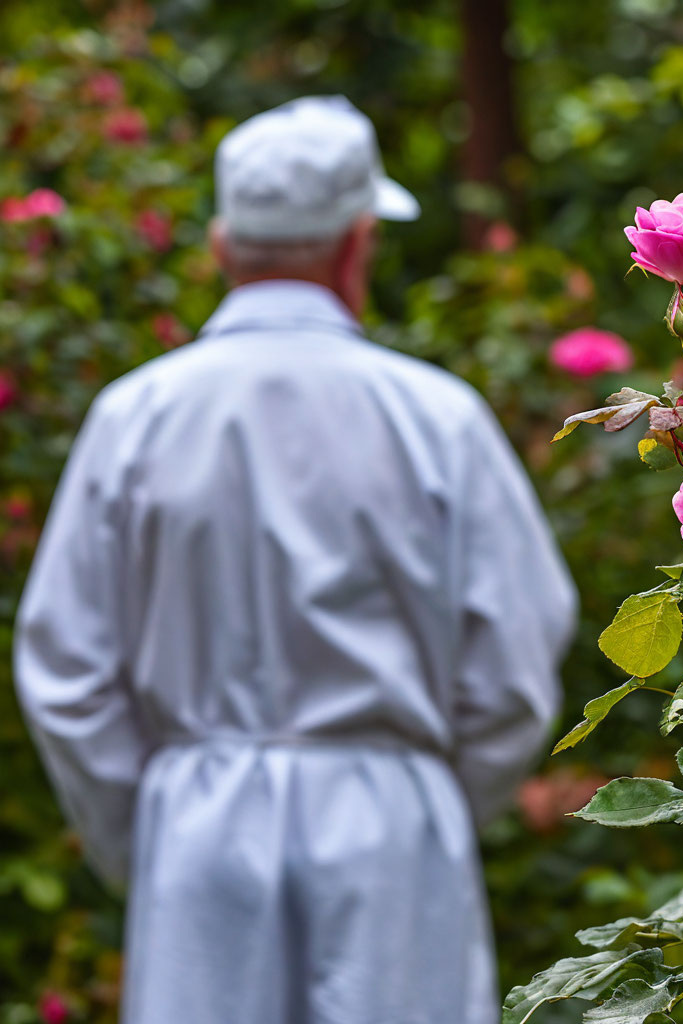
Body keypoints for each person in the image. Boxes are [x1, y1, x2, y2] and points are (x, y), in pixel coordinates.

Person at [14, 96, 577, 1024]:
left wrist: (148, 830)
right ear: (358, 245)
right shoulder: (436, 419)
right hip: (389, 829)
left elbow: (68, 670)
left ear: (223, 247)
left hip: (197, 829)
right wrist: (433, 801)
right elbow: (514, 657)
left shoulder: (134, 418)